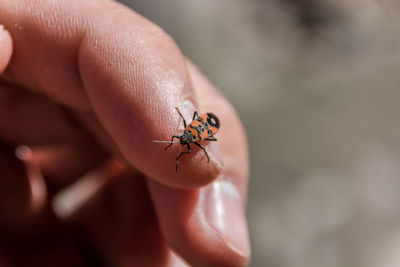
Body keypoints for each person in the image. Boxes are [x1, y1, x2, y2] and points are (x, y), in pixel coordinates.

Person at [0, 0, 250, 266]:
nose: (181, 141)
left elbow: (199, 131)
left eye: (183, 140)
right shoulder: (187, 136)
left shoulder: (190, 135)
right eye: (182, 140)